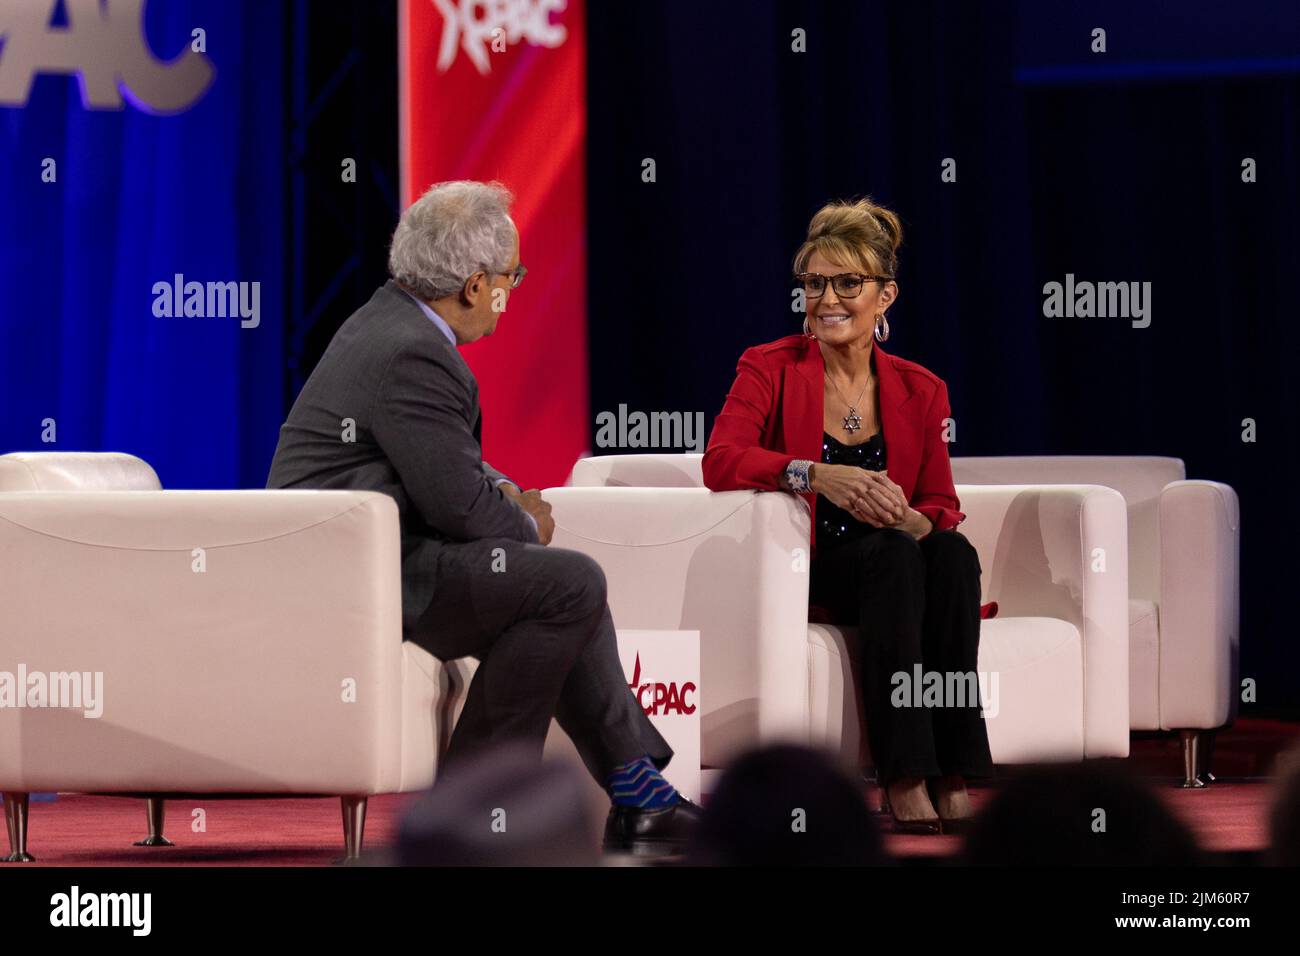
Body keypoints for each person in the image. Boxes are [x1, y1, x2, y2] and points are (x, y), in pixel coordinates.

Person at [267, 179, 698, 854]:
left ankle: (636, 793)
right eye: (511, 276)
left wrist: (505, 498)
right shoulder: (414, 351)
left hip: (374, 556)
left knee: (560, 585)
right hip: (357, 578)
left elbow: (446, 466)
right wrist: (525, 521)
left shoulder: (390, 322)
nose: (512, 290)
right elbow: (462, 508)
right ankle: (478, 807)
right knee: (565, 582)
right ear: (474, 285)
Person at [702, 197, 993, 834]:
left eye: (847, 284)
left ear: (885, 296)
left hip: (898, 565)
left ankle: (955, 767)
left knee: (951, 553)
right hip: (813, 565)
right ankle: (906, 773)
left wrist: (915, 521)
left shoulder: (922, 388)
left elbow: (940, 505)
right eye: (813, 283)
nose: (827, 298)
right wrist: (816, 474)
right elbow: (722, 460)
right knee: (894, 557)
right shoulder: (769, 367)